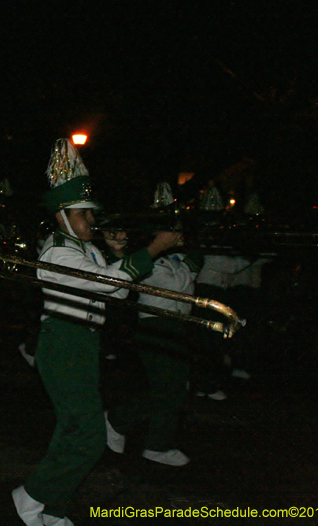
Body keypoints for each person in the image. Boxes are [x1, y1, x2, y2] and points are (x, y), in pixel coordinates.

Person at [12, 139, 181, 526]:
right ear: (62, 216)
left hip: (83, 343)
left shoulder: (84, 249)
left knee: (74, 432)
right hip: (64, 343)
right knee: (88, 436)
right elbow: (106, 283)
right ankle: (32, 495)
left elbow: (117, 290)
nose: (92, 220)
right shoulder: (58, 251)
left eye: (91, 213)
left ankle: (52, 509)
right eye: (84, 214)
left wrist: (121, 254)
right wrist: (153, 249)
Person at [102, 185, 202, 466]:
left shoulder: (174, 257)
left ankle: (155, 443)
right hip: (156, 325)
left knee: (174, 387)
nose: (178, 233)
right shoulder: (145, 256)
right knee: (167, 388)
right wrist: (190, 260)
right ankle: (122, 421)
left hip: (177, 324)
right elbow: (175, 285)